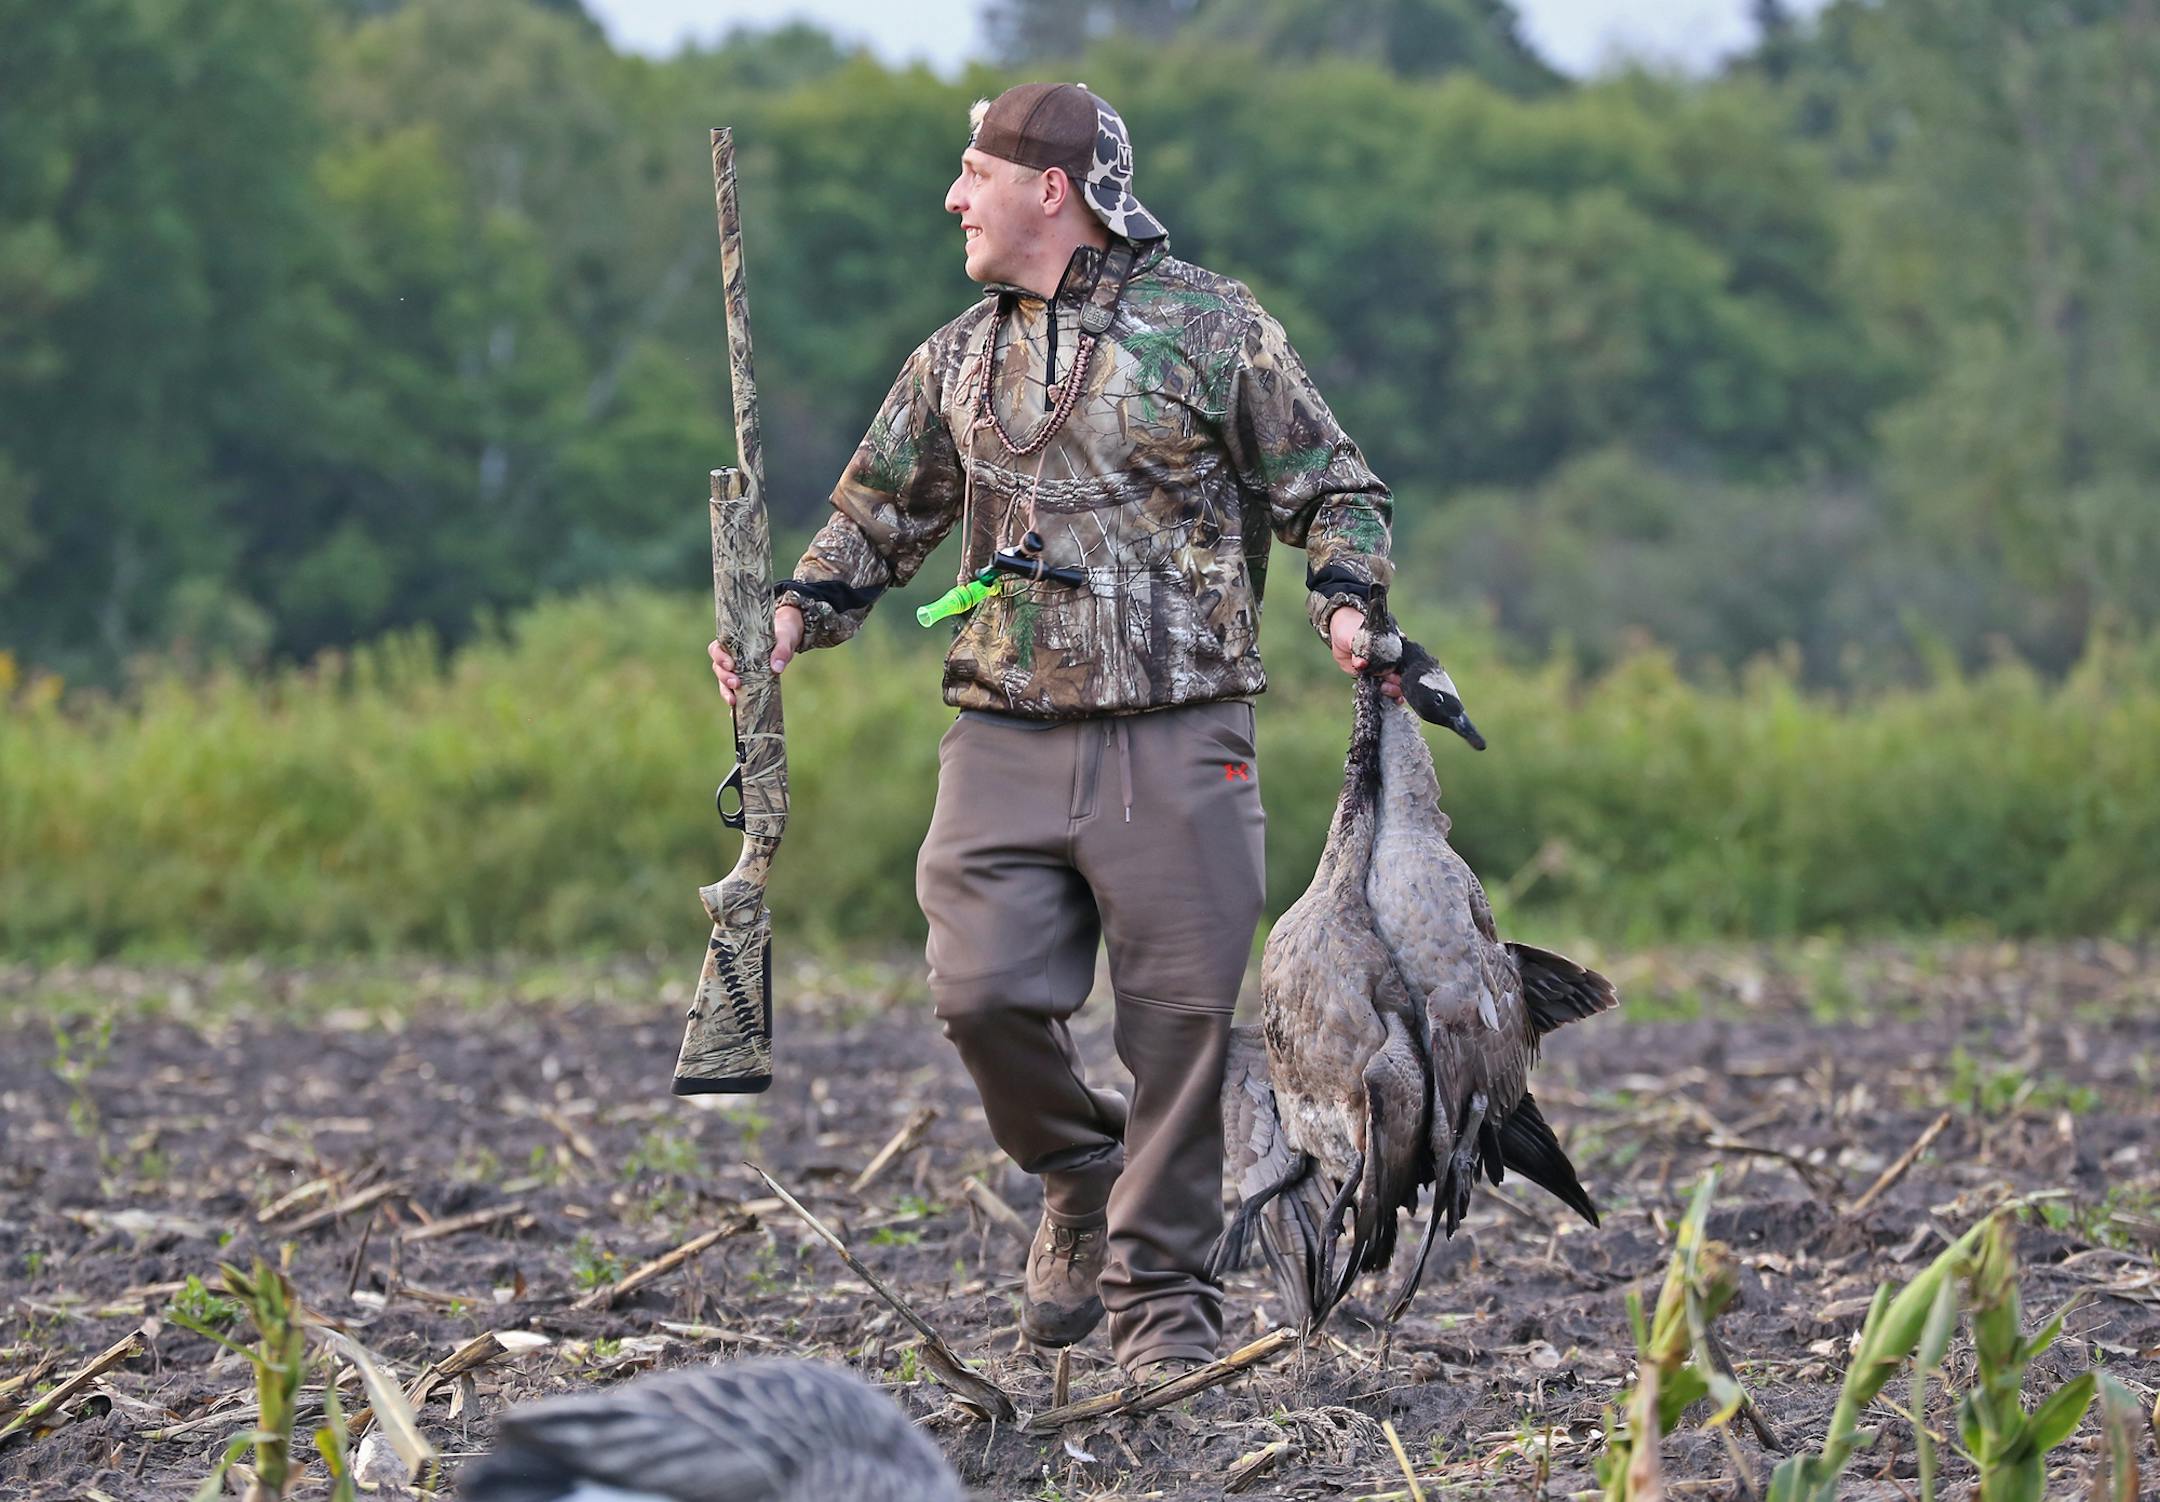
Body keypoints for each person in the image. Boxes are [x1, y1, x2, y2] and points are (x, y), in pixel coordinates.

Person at [710, 82, 1400, 1385]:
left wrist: (1349, 601)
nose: (953, 197)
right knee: (979, 995)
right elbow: (874, 519)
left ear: (1052, 187)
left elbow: (1334, 486)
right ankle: (1079, 1172)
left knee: (1181, 1031)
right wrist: (790, 616)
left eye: (973, 173)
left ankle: (1163, 1314)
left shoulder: (1215, 327)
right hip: (1002, 737)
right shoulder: (957, 357)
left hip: (1184, 737)